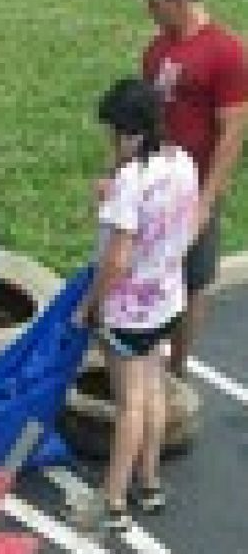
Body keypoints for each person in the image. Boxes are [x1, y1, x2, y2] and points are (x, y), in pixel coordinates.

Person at [76, 78, 198, 530]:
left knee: (130, 403)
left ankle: (112, 499)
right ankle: (148, 482)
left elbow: (118, 257)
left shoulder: (131, 181)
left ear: (125, 132)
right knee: (152, 391)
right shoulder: (182, 163)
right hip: (166, 297)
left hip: (128, 309)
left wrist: (91, 303)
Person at [141, 0, 248, 378]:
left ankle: (178, 371)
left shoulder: (225, 51)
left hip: (194, 185)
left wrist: (206, 200)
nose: (150, 13)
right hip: (154, 180)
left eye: (155, 4)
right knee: (146, 270)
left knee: (192, 278)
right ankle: (144, 361)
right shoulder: (156, 50)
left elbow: (233, 132)